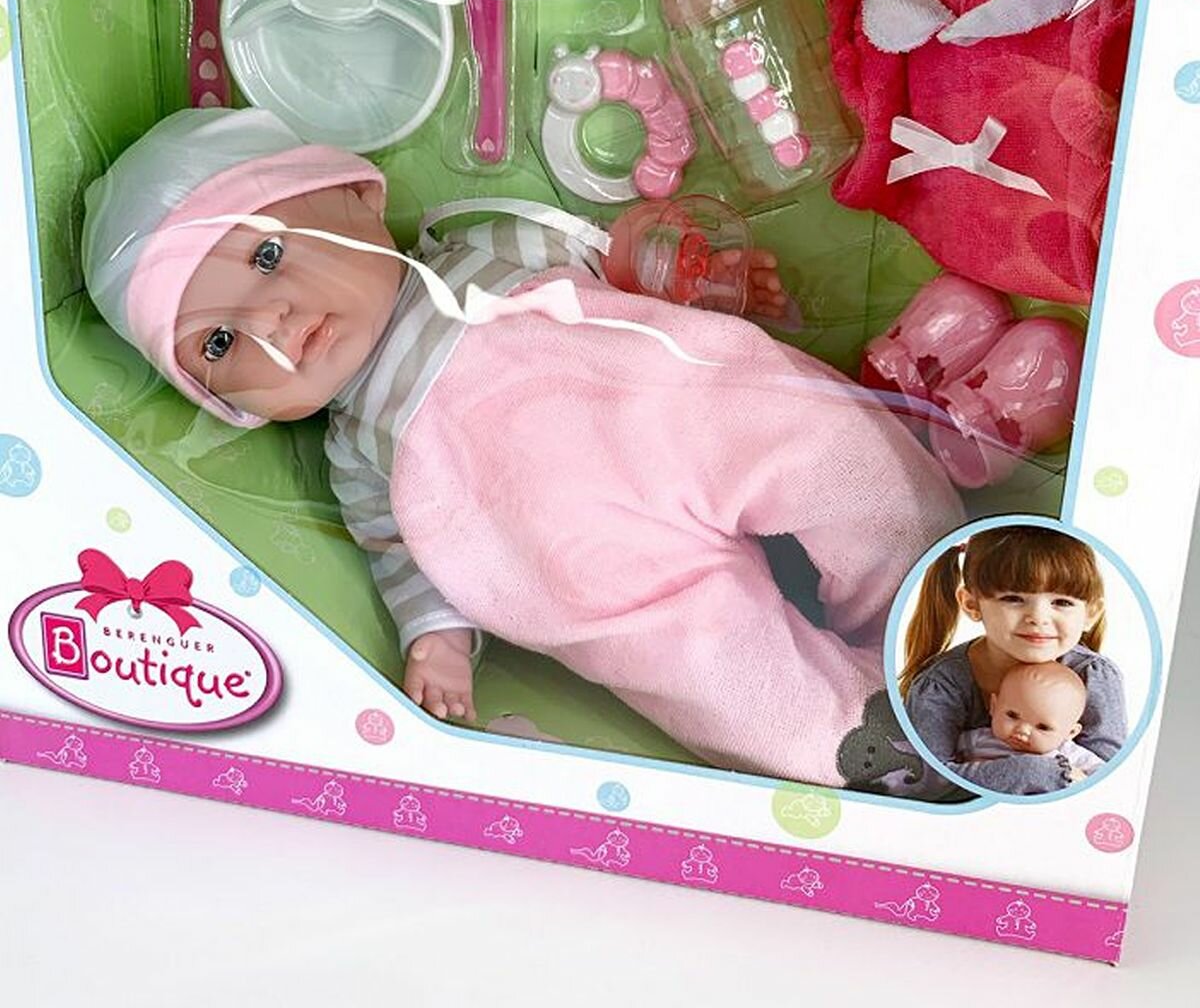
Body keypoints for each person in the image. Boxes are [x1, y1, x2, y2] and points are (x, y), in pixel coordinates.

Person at [82, 106, 966, 788]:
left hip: (688, 417)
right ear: (230, 406)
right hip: (606, 574)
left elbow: (615, 258)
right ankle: (861, 737)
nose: (268, 321)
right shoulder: (357, 448)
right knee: (710, 671)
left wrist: (694, 272)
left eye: (269, 256)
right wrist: (436, 638)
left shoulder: (478, 243)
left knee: (829, 445)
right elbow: (402, 553)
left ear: (358, 195)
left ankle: (948, 596)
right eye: (220, 343)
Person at [901, 526, 1126, 794]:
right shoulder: (941, 687)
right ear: (972, 604)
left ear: (1090, 613)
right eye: (1014, 599)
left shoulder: (1094, 676)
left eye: (1062, 602)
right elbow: (928, 781)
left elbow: (1107, 785)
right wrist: (1034, 772)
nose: (1038, 618)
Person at [954, 661, 1103, 791]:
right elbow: (946, 767)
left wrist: (1079, 781)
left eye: (1042, 727)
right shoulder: (977, 740)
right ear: (994, 706)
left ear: (1070, 733)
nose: (1022, 730)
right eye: (1012, 715)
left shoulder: (1067, 751)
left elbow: (1101, 775)